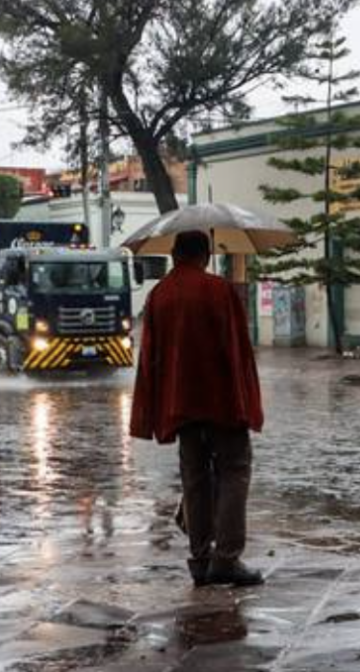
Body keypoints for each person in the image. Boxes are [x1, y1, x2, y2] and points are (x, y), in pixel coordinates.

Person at [130, 231, 265, 587]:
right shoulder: (220, 291)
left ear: (174, 255)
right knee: (234, 471)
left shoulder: (158, 296)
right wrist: (247, 402)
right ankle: (227, 557)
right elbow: (238, 351)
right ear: (205, 255)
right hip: (222, 400)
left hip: (181, 404)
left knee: (195, 479)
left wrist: (155, 409)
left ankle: (201, 558)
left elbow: (150, 359)